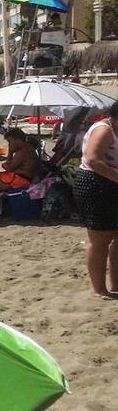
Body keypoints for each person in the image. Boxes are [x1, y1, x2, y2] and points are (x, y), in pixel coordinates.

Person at [73, 101, 118, 299]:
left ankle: (116, 284)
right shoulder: (104, 130)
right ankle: (100, 289)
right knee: (101, 239)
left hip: (111, 183)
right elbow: (93, 160)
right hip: (97, 184)